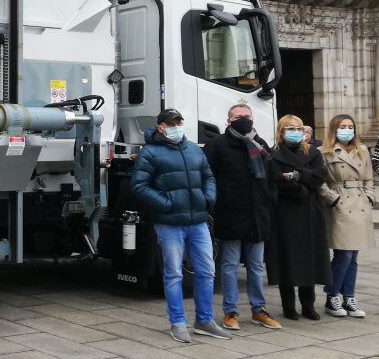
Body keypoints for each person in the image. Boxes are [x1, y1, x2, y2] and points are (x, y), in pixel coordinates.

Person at [131, 108, 230, 343]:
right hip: (170, 223)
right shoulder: (150, 153)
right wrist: (166, 204)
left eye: (178, 122)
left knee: (207, 272)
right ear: (161, 127)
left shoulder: (194, 149)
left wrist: (208, 198)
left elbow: (209, 177)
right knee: (174, 274)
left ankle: (205, 321)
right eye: (170, 123)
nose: (175, 127)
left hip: (198, 221)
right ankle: (177, 323)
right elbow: (139, 186)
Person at [204, 104, 282, 330]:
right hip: (231, 213)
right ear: (229, 121)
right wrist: (216, 201)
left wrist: (269, 198)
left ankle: (259, 309)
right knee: (229, 265)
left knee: (256, 265)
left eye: (247, 116)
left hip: (257, 214)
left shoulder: (261, 144)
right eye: (239, 117)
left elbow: (273, 175)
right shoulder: (217, 144)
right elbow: (208, 175)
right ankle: (231, 311)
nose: (244, 120)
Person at [267, 114, 331, 321]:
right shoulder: (273, 153)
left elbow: (320, 175)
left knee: (309, 258)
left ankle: (308, 305)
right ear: (281, 132)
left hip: (310, 213)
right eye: (290, 129)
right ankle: (288, 306)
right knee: (287, 259)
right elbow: (277, 180)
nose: (295, 132)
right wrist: (303, 183)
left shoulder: (313, 152)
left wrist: (298, 175)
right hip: (286, 213)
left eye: (298, 128)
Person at [319, 114, 372, 318]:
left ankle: (349, 296)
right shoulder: (324, 152)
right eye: (342, 126)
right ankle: (333, 296)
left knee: (354, 257)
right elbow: (320, 181)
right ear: (334, 129)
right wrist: (332, 198)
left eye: (350, 126)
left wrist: (369, 197)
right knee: (344, 255)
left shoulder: (363, 150)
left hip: (359, 203)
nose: (347, 129)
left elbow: (368, 178)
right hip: (340, 204)